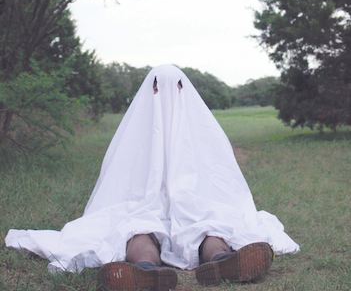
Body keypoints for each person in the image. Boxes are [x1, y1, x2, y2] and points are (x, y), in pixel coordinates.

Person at [6, 65, 299, 291]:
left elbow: (221, 181)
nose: (169, 97)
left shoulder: (200, 131)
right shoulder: (139, 131)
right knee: (149, 226)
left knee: (203, 225)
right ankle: (151, 269)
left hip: (188, 211)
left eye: (176, 88)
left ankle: (206, 263)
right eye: (162, 88)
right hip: (153, 211)